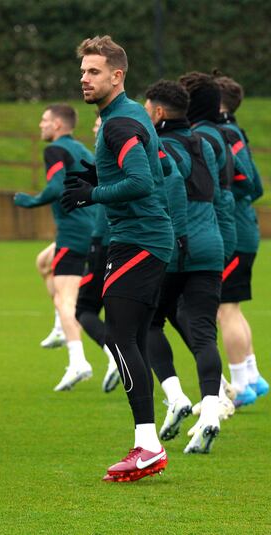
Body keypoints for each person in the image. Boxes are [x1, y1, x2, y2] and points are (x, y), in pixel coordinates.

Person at [63, 36, 173, 482]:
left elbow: (144, 181)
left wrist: (93, 193)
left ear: (117, 75)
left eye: (93, 71)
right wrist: (98, 172)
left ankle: (148, 445)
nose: (84, 79)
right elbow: (162, 165)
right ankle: (147, 442)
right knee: (129, 336)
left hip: (139, 239)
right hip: (144, 237)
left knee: (121, 336)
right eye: (83, 71)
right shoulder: (125, 117)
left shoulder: (118, 124)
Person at [143, 80, 227, 453]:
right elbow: (222, 192)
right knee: (204, 333)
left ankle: (175, 396)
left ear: (158, 113)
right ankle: (210, 410)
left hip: (176, 245)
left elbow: (161, 195)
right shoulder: (205, 145)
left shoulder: (155, 146)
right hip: (211, 245)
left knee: (149, 322)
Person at [14, 104, 96, 391]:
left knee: (66, 301)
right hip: (92, 228)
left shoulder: (55, 150)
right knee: (44, 262)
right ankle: (62, 328)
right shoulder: (83, 151)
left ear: (58, 125)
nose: (41, 125)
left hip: (74, 233)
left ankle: (78, 361)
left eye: (45, 120)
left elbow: (56, 187)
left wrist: (31, 201)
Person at [213, 73, 268, 401]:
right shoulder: (232, 130)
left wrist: (224, 193)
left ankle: (241, 387)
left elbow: (250, 182)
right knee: (232, 307)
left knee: (224, 309)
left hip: (235, 231)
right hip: (243, 230)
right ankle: (252, 375)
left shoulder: (227, 132)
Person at [74, 113, 121, 393]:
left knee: (84, 309)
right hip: (124, 238)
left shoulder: (109, 152)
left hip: (105, 239)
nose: (94, 127)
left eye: (97, 123)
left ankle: (116, 355)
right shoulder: (128, 152)